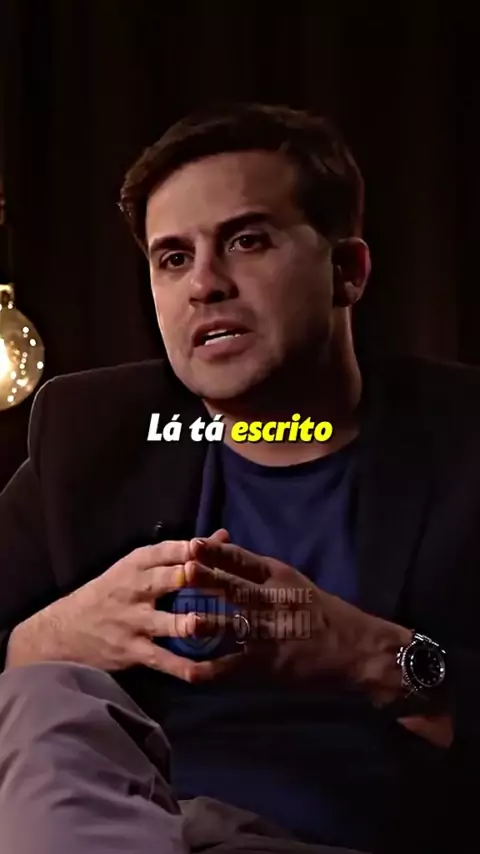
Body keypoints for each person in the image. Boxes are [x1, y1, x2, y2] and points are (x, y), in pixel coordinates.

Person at [0, 103, 478, 854]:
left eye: (246, 241)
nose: (204, 284)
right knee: (45, 689)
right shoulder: (91, 435)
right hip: (124, 823)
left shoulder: (464, 441)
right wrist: (53, 635)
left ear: (347, 272)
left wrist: (366, 653)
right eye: (172, 258)